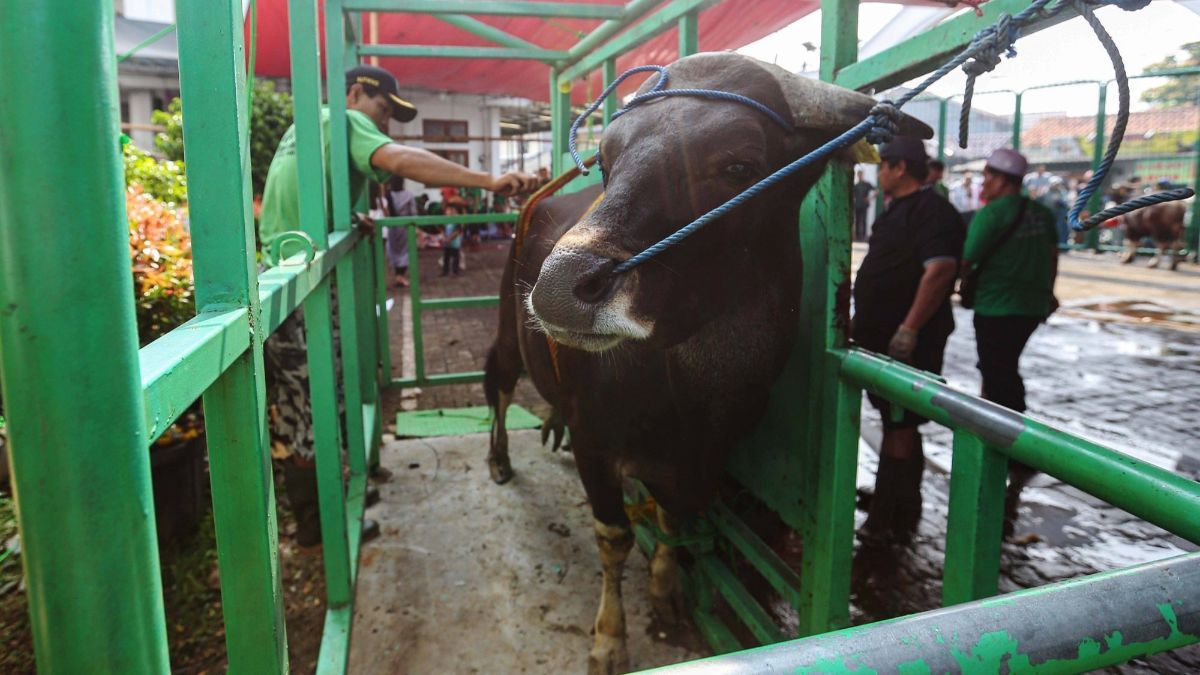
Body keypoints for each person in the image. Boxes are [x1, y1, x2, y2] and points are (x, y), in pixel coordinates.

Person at [258, 65, 537, 548]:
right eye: (382, 109)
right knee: (315, 406)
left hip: (278, 279)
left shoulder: (305, 127)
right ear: (355, 93)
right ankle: (317, 524)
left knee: (302, 404)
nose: (384, 122)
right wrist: (490, 182)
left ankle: (325, 503)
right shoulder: (344, 120)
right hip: (305, 292)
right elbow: (401, 159)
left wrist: (347, 218)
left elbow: (299, 198)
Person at [852, 136, 965, 545]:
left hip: (907, 343)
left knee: (899, 426)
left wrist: (909, 328)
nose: (879, 172)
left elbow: (939, 271)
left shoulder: (931, 211)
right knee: (895, 421)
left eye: (883, 165)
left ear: (900, 168)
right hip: (885, 337)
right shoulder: (897, 210)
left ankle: (886, 518)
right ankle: (902, 504)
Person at [961, 148, 1059, 535]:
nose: (984, 182)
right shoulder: (1043, 214)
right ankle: (1004, 435)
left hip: (997, 305)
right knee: (1003, 367)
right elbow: (1052, 258)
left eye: (988, 176)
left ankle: (1012, 445)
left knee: (998, 371)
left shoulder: (992, 214)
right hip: (1031, 307)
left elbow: (968, 260)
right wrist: (1047, 292)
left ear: (1003, 179)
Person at [385, 175, 417, 287]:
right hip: (405, 226)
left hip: (391, 227)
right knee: (405, 251)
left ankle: (397, 275)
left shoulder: (388, 195)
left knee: (394, 250)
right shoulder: (409, 195)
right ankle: (401, 276)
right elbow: (413, 213)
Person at [852, 169, 876, 241]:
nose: (860, 176)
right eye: (859, 175)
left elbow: (876, 190)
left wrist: (869, 199)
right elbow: (853, 195)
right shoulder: (856, 185)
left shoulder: (866, 184)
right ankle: (857, 236)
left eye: (861, 174)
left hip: (864, 205)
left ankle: (863, 236)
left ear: (863, 175)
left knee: (864, 220)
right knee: (857, 220)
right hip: (857, 205)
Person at [442, 205, 463, 276]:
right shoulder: (445, 220)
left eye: (449, 210)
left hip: (455, 243)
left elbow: (457, 231)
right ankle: (445, 271)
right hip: (447, 244)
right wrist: (444, 238)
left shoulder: (456, 220)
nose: (447, 212)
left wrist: (449, 239)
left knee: (455, 258)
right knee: (446, 258)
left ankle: (455, 272)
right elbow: (443, 230)